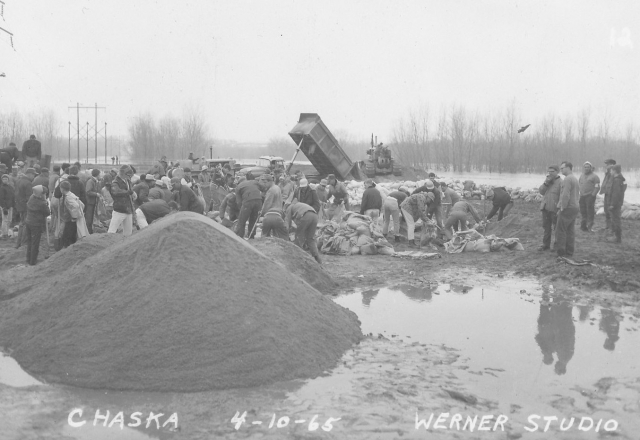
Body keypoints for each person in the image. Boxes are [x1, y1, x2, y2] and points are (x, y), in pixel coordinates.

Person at [555, 161, 580, 257]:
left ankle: (561, 252)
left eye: (562, 168)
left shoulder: (567, 179)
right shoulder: (574, 178)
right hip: (574, 207)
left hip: (568, 207)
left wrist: (562, 207)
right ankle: (570, 251)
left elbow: (565, 195)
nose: (561, 170)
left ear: (569, 168)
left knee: (560, 230)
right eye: (560, 168)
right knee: (570, 230)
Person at [538, 165, 562, 251]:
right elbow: (541, 191)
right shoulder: (547, 180)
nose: (550, 173)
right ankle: (546, 244)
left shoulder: (561, 182)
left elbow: (562, 196)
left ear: (557, 172)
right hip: (545, 207)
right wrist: (546, 183)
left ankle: (556, 246)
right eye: (549, 172)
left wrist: (559, 208)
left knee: (556, 228)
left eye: (552, 172)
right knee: (546, 227)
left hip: (555, 208)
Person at [24, 185, 50, 265]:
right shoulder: (41, 203)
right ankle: (33, 261)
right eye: (44, 194)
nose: (45, 195)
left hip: (28, 222)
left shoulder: (32, 197)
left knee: (30, 242)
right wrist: (46, 204)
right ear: (40, 194)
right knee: (35, 243)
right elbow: (47, 213)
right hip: (36, 224)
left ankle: (28, 259)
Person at [108, 165, 136, 237]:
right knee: (111, 231)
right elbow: (116, 191)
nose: (130, 177)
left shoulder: (128, 181)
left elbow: (129, 191)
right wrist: (129, 192)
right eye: (129, 175)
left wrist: (132, 193)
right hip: (119, 210)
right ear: (124, 174)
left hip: (128, 209)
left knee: (128, 234)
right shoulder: (115, 182)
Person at [258, 174, 288, 239]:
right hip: (279, 213)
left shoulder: (271, 190)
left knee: (265, 234)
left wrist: (262, 213)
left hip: (270, 213)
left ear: (269, 181)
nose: (264, 185)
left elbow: (267, 203)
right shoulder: (277, 187)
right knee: (277, 236)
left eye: (265, 182)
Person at [235, 172, 262, 238]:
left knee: (242, 220)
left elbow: (239, 202)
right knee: (253, 220)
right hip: (259, 201)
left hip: (247, 202)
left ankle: (240, 236)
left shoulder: (238, 187)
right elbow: (263, 189)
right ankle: (251, 236)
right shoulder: (254, 182)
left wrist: (241, 210)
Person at [14, 167, 36, 249]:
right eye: (33, 175)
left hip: (19, 205)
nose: (34, 177)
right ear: (29, 174)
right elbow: (29, 198)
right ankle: (23, 243)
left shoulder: (18, 181)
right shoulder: (28, 183)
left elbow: (16, 194)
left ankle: (18, 243)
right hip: (26, 206)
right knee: (25, 224)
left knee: (21, 224)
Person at [59, 180, 84, 247]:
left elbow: (76, 206)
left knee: (66, 236)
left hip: (70, 219)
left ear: (62, 189)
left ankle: (66, 250)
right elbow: (81, 204)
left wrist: (74, 217)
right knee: (72, 235)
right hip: (73, 219)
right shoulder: (72, 194)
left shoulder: (68, 197)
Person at [578, 161, 600, 232]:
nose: (586, 168)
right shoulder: (581, 175)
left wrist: (593, 195)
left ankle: (589, 226)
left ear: (591, 168)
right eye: (585, 167)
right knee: (583, 211)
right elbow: (579, 184)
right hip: (582, 196)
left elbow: (597, 187)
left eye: (588, 167)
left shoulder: (595, 177)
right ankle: (583, 226)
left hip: (589, 196)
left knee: (590, 212)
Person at [608, 164, 626, 244]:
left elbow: (616, 193)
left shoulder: (617, 180)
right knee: (615, 219)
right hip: (618, 203)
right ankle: (616, 237)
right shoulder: (619, 179)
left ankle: (617, 238)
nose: (610, 171)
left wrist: (612, 204)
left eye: (611, 170)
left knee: (616, 220)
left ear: (614, 170)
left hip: (615, 204)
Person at [598, 159, 616, 234]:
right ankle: (608, 226)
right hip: (606, 194)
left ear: (612, 165)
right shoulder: (607, 173)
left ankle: (612, 228)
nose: (606, 166)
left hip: (611, 195)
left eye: (607, 164)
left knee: (611, 211)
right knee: (606, 210)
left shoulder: (614, 173)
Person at [84, 168, 101, 234]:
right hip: (90, 203)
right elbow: (88, 192)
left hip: (93, 202)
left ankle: (90, 231)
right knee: (89, 218)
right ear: (97, 175)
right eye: (99, 174)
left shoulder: (95, 181)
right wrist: (96, 194)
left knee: (91, 218)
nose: (100, 176)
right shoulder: (90, 181)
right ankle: (88, 232)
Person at [0, 174, 15, 239]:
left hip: (10, 205)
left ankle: (7, 232)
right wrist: (3, 207)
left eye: (6, 179)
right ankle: (4, 234)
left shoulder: (10, 187)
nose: (4, 180)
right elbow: (1, 198)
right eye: (3, 179)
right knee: (5, 220)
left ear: (8, 180)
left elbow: (13, 196)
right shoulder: (2, 188)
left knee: (9, 220)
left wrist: (13, 204)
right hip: (5, 206)